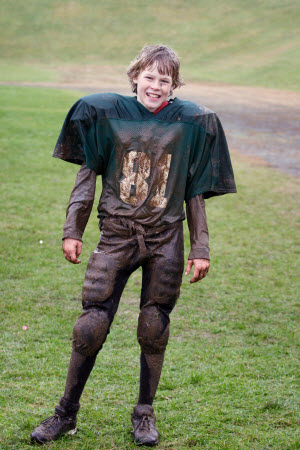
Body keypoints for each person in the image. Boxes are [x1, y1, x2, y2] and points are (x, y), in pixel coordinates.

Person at [31, 45, 236, 446]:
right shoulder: (106, 116)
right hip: (117, 233)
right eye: (149, 76)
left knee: (154, 326)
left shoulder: (191, 123)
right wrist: (72, 228)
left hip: (166, 237)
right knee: (90, 326)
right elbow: (87, 175)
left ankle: (144, 412)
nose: (155, 85)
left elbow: (194, 189)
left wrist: (201, 248)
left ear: (174, 86)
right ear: (135, 76)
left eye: (165, 79)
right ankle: (65, 413)